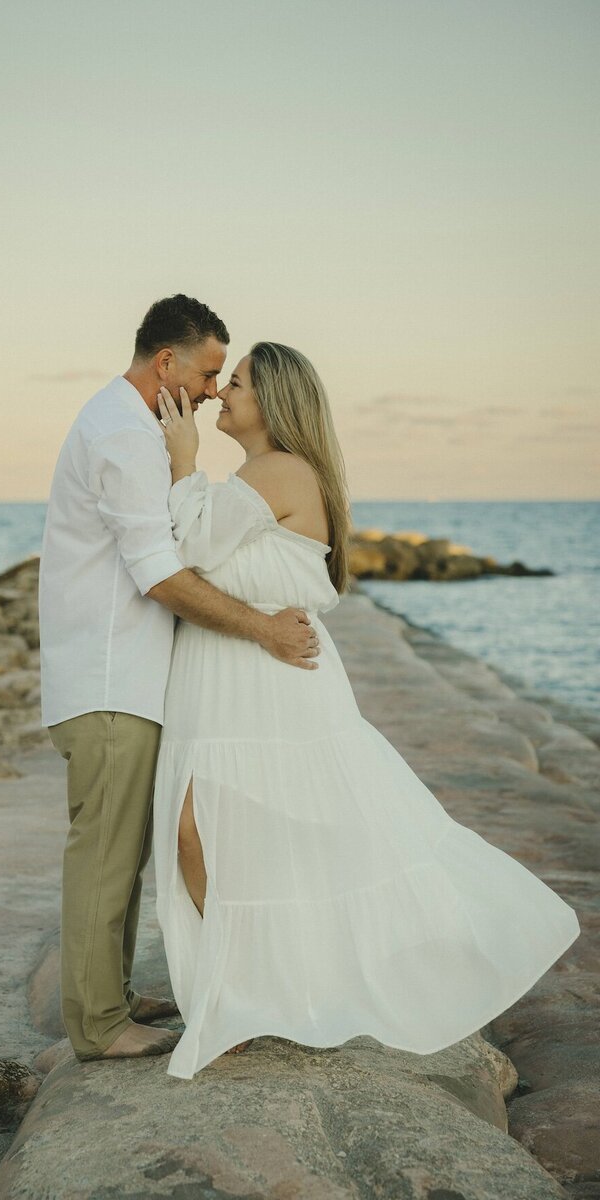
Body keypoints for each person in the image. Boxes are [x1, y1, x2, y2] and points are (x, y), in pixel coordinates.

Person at [152, 340, 582, 1080]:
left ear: (277, 402)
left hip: (267, 682)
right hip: (229, 676)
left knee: (227, 828)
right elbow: (197, 548)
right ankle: (247, 989)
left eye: (241, 383)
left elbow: (187, 541)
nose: (223, 392)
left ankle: (259, 988)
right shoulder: (254, 475)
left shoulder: (280, 468)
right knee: (208, 830)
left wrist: (182, 459)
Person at [38, 298, 322, 1063]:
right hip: (109, 678)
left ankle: (112, 997)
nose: (209, 389)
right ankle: (98, 1027)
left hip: (121, 675)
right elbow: (162, 574)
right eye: (205, 373)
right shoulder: (125, 438)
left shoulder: (130, 426)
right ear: (166, 363)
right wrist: (262, 628)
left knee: (122, 850)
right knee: (104, 852)